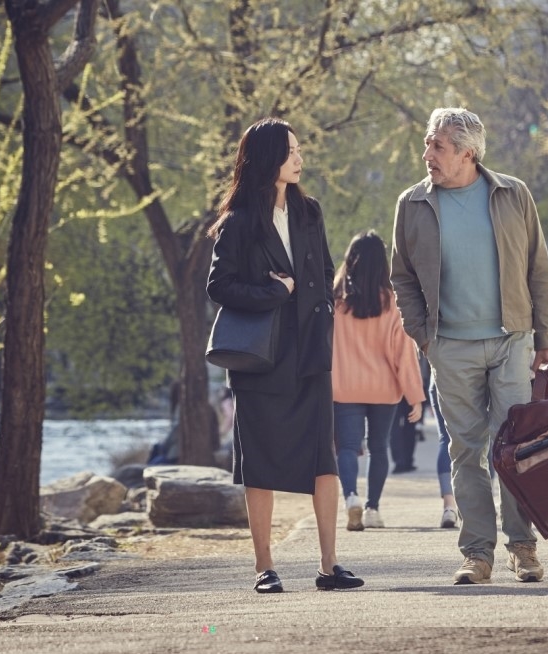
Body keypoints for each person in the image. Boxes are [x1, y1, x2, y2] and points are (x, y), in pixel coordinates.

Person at [390, 107, 548, 585]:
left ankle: (523, 547)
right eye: (427, 143)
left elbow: (538, 269)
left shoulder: (512, 193)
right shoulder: (413, 203)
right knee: (465, 451)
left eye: (437, 146)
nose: (427, 154)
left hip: (511, 341)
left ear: (467, 152)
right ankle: (477, 554)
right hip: (450, 347)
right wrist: (424, 336)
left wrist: (547, 338)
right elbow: (401, 277)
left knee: (515, 447)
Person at [206, 117, 363, 593]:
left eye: (300, 150)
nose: (300, 158)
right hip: (260, 361)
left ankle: (330, 565)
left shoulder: (309, 211)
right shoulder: (237, 222)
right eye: (292, 150)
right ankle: (264, 568)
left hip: (310, 355)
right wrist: (275, 292)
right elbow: (219, 287)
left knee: (323, 461)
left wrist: (319, 309)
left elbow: (328, 268)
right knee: (260, 464)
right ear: (269, 157)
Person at [331, 230, 425, 531]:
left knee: (346, 447)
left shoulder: (336, 302)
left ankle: (350, 498)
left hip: (344, 386)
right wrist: (415, 396)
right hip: (384, 388)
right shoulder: (392, 304)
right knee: (379, 447)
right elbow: (403, 354)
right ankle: (372, 508)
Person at [389, 353, 429, 474]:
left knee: (396, 425)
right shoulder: (415, 335)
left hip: (393, 382)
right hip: (414, 382)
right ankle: (406, 460)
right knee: (410, 423)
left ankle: (400, 461)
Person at [429, 376, 459, 529]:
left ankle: (449, 506)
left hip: (442, 374)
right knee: (482, 438)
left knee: (446, 439)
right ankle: (480, 504)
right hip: (478, 374)